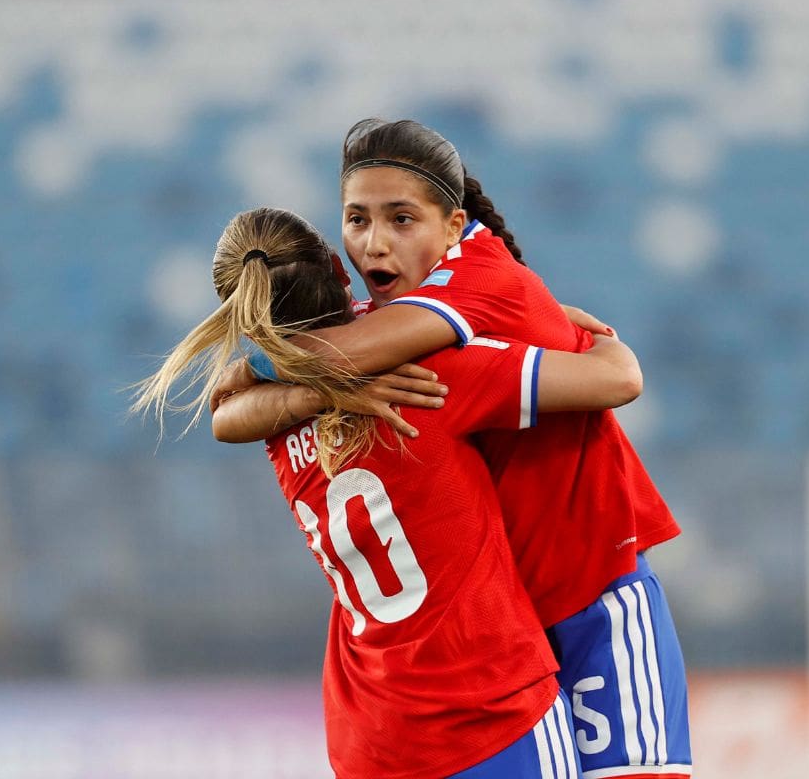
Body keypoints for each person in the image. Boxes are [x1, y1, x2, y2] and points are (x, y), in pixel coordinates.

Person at [212, 120, 692, 778]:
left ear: (453, 226)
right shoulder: (390, 339)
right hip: (503, 628)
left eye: (400, 219)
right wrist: (314, 389)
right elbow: (234, 403)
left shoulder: (465, 291)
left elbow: (232, 406)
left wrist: (278, 367)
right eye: (356, 219)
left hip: (588, 594)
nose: (372, 243)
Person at [133, 207, 649, 778]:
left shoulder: (273, 412)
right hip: (488, 707)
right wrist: (594, 336)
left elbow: (225, 412)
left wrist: (312, 393)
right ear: (338, 267)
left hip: (370, 731)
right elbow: (615, 380)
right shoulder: (430, 377)